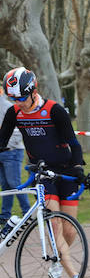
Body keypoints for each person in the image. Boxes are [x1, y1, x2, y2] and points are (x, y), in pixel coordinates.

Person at [0, 67, 88, 278]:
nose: (17, 102)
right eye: (12, 98)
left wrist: (78, 167)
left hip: (66, 172)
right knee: (55, 224)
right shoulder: (14, 114)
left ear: (32, 91)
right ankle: (74, 277)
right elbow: (1, 141)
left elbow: (74, 143)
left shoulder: (54, 110)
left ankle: (57, 260)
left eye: (20, 97)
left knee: (69, 231)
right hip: (42, 174)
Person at [0, 94, 29, 228]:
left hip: (12, 151)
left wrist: (6, 145)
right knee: (5, 185)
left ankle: (27, 213)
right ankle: (5, 215)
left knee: (15, 184)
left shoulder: (8, 107)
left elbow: (18, 131)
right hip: (2, 152)